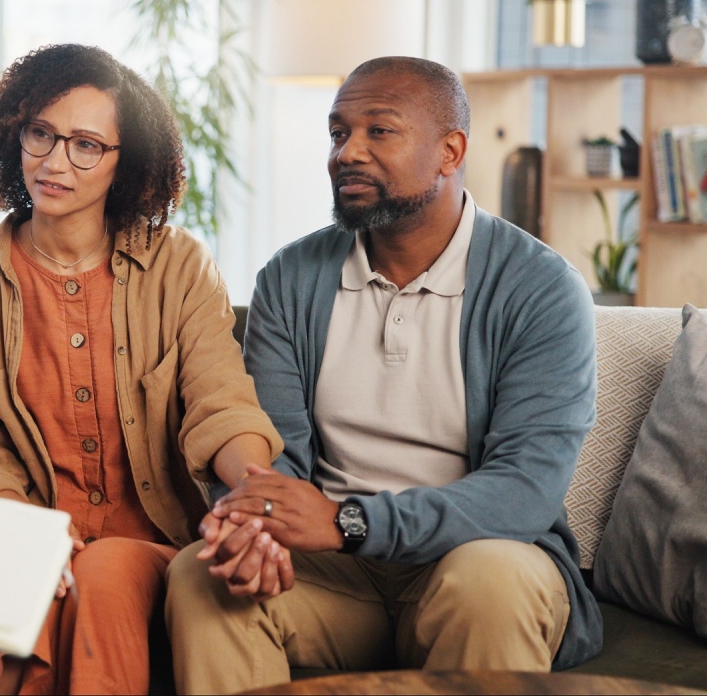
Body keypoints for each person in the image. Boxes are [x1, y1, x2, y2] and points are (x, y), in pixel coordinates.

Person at [164, 56, 602, 694]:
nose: (348, 152)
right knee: (201, 575)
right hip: (335, 576)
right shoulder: (290, 279)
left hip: (474, 559)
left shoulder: (541, 289)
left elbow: (523, 492)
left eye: (380, 131)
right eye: (339, 133)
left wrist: (348, 521)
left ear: (450, 151)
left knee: (489, 581)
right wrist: (258, 526)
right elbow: (277, 454)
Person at [0, 43, 284, 695]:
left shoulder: (180, 267)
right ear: (14, 133)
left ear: (125, 161)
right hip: (22, 530)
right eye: (41, 134)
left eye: (86, 145)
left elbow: (221, 404)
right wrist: (27, 533)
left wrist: (256, 495)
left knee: (106, 569)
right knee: (17, 583)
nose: (55, 161)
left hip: (152, 545)